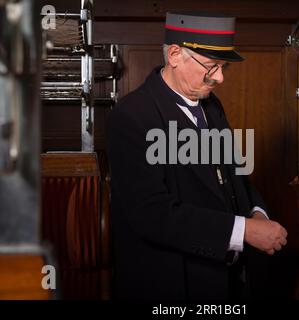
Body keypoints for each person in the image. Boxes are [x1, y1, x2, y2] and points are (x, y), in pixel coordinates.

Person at [106, 11, 287, 300]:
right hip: (172, 283)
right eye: (212, 66)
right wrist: (243, 231)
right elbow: (151, 214)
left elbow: (233, 174)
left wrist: (257, 213)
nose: (220, 78)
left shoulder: (211, 104)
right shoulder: (130, 117)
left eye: (224, 67)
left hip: (226, 278)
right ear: (175, 55)